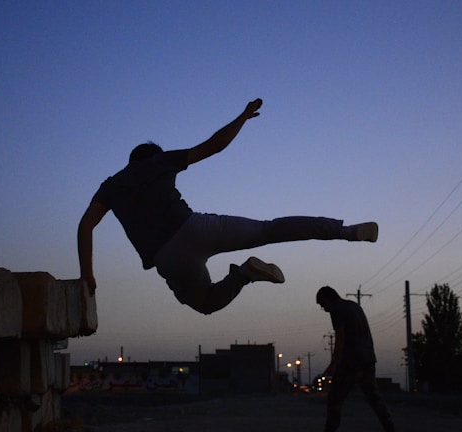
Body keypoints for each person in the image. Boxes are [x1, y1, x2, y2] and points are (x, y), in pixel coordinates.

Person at [78, 98, 379, 315]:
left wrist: (87, 274)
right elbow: (214, 145)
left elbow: (85, 226)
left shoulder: (111, 185)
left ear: (130, 161)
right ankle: (347, 232)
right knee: (269, 229)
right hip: (198, 229)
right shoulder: (160, 161)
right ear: (153, 157)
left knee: (206, 304)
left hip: (167, 258)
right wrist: (243, 116)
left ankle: (244, 274)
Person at [316, 286, 395, 432]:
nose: (324, 309)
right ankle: (389, 427)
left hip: (351, 362)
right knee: (374, 398)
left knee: (335, 400)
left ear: (327, 299)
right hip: (368, 359)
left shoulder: (336, 309)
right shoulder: (354, 306)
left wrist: (334, 363)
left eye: (322, 305)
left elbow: (340, 337)